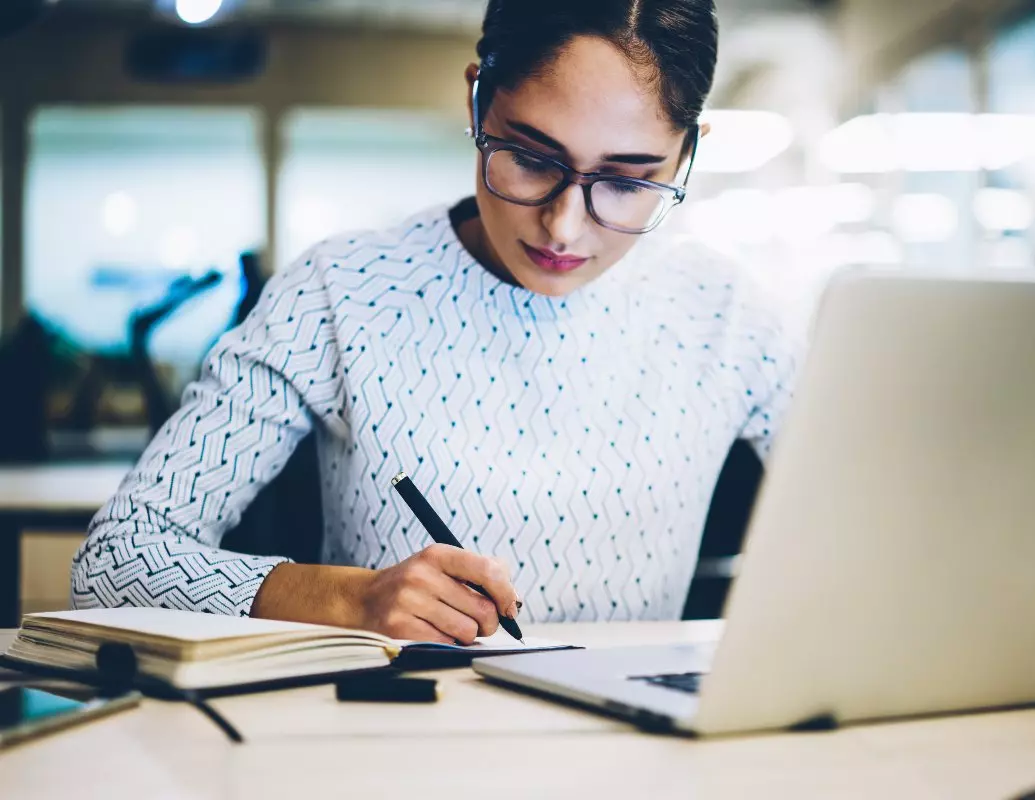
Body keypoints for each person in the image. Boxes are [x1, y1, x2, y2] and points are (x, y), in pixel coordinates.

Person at [71, 0, 797, 645]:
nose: (564, 227)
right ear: (479, 100)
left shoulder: (727, 314)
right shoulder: (343, 289)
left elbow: (888, 545)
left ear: (688, 151)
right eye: (530, 158)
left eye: (628, 179)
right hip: (395, 754)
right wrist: (349, 597)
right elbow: (116, 561)